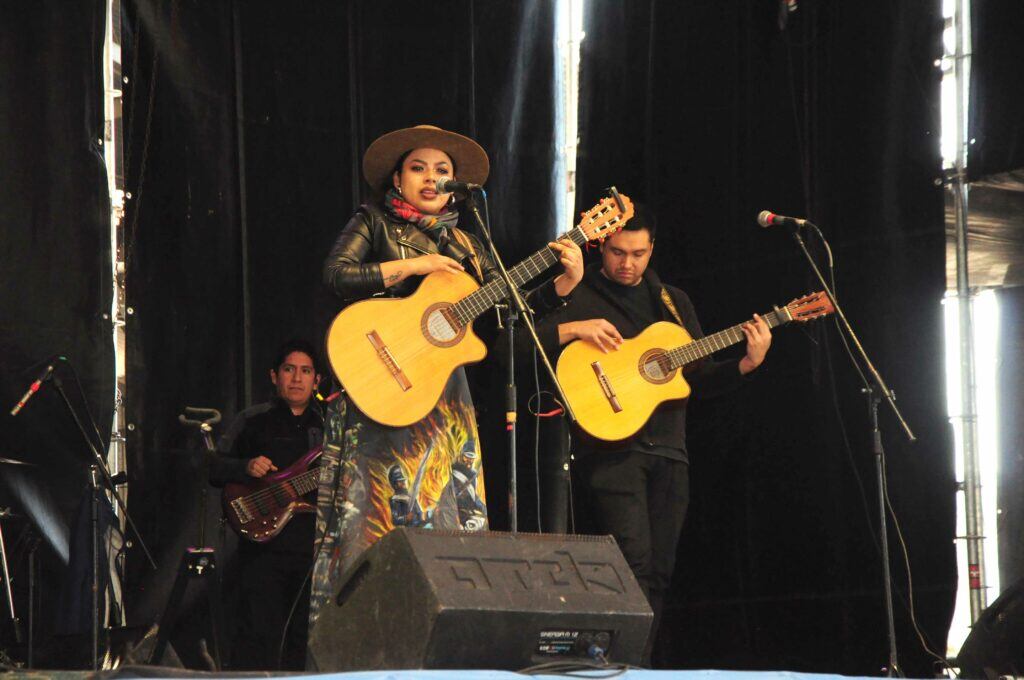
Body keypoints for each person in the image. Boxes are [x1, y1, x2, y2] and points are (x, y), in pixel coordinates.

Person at [310, 124, 584, 625]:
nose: (431, 178)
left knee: (443, 524)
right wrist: (414, 269)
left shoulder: (470, 246)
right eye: (419, 168)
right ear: (397, 176)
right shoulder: (373, 220)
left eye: (443, 171)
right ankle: (363, 634)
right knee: (374, 520)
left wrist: (561, 287)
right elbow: (336, 275)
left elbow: (502, 331)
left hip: (443, 402)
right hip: (379, 389)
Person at [531, 206, 772, 665]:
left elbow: (696, 378)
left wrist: (745, 365)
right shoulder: (577, 291)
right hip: (610, 449)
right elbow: (522, 346)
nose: (628, 264)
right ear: (603, 246)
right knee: (632, 560)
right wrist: (572, 328)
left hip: (669, 450)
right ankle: (611, 663)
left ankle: (634, 665)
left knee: (660, 569)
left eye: (639, 254)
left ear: (652, 249)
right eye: (619, 252)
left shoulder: (673, 302)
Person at [210, 338, 323, 671]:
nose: (297, 378)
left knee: (304, 642)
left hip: (312, 553)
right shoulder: (252, 420)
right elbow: (213, 467)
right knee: (257, 639)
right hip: (262, 554)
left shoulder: (329, 426)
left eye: (306, 371)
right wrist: (245, 467)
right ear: (275, 376)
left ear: (317, 381)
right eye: (289, 370)